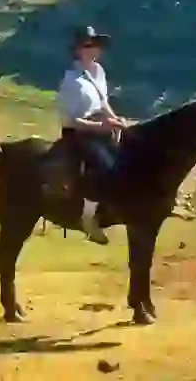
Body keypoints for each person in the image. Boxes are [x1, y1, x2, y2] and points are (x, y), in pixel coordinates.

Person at [56, 26, 131, 245]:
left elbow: (103, 101)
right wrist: (100, 126)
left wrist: (116, 121)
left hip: (100, 125)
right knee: (103, 165)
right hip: (79, 132)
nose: (94, 49)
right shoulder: (71, 81)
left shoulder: (98, 72)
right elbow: (70, 120)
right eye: (88, 45)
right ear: (78, 50)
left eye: (95, 45)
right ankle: (88, 219)